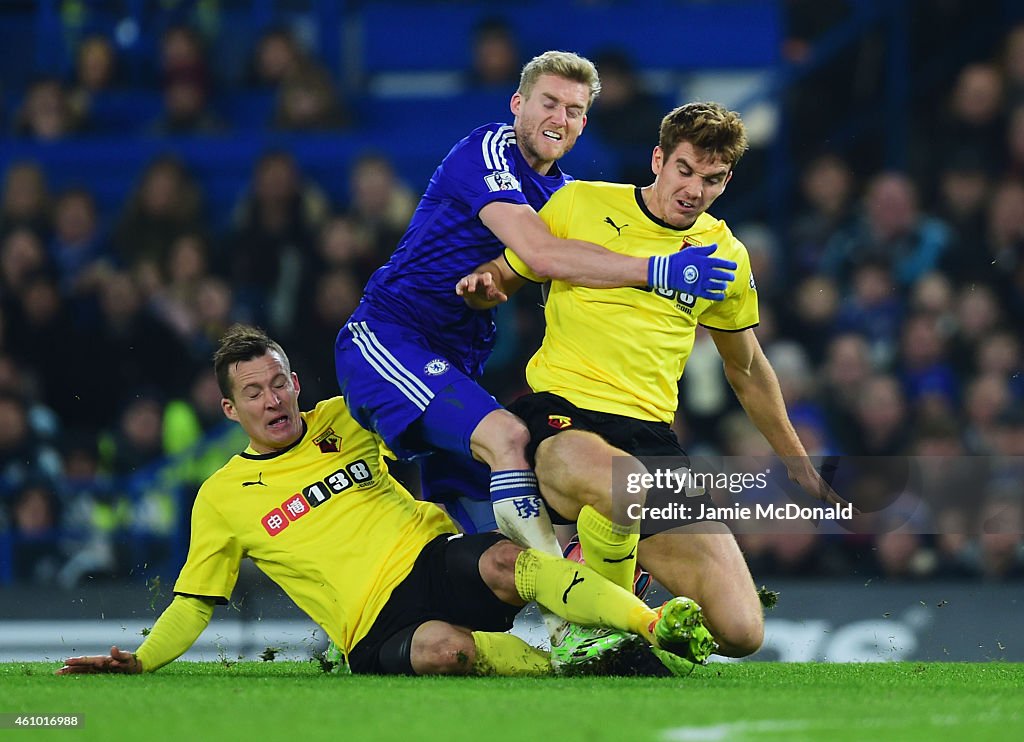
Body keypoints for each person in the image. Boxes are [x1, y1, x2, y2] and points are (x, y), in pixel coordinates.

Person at [56, 325, 711, 677]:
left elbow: (435, 410)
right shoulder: (223, 497)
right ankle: (565, 664)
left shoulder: (348, 417)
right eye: (253, 392)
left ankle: (649, 629)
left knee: (507, 563)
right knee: (444, 655)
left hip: (429, 557)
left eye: (278, 382)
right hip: (371, 626)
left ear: (296, 380)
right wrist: (142, 659)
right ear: (230, 409)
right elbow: (194, 602)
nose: (273, 399)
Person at [457, 102, 850, 658]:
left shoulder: (725, 255)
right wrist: (485, 283)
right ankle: (604, 623)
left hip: (650, 438)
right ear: (659, 158)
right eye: (685, 170)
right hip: (563, 417)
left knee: (741, 631)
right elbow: (512, 268)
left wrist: (796, 463)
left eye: (711, 179)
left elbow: (746, 368)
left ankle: (604, 569)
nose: (694, 189)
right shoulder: (580, 203)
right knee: (625, 485)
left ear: (726, 181)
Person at [334, 51, 737, 564]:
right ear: (517, 104)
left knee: (501, 548)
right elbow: (543, 254)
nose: (559, 118)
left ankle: (570, 608)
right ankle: (563, 606)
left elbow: (555, 273)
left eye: (573, 110)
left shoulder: (565, 196)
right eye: (549, 103)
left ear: (583, 124)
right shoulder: (487, 149)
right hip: (392, 337)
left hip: (460, 367)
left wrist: (492, 283)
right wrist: (660, 270)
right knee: (509, 435)